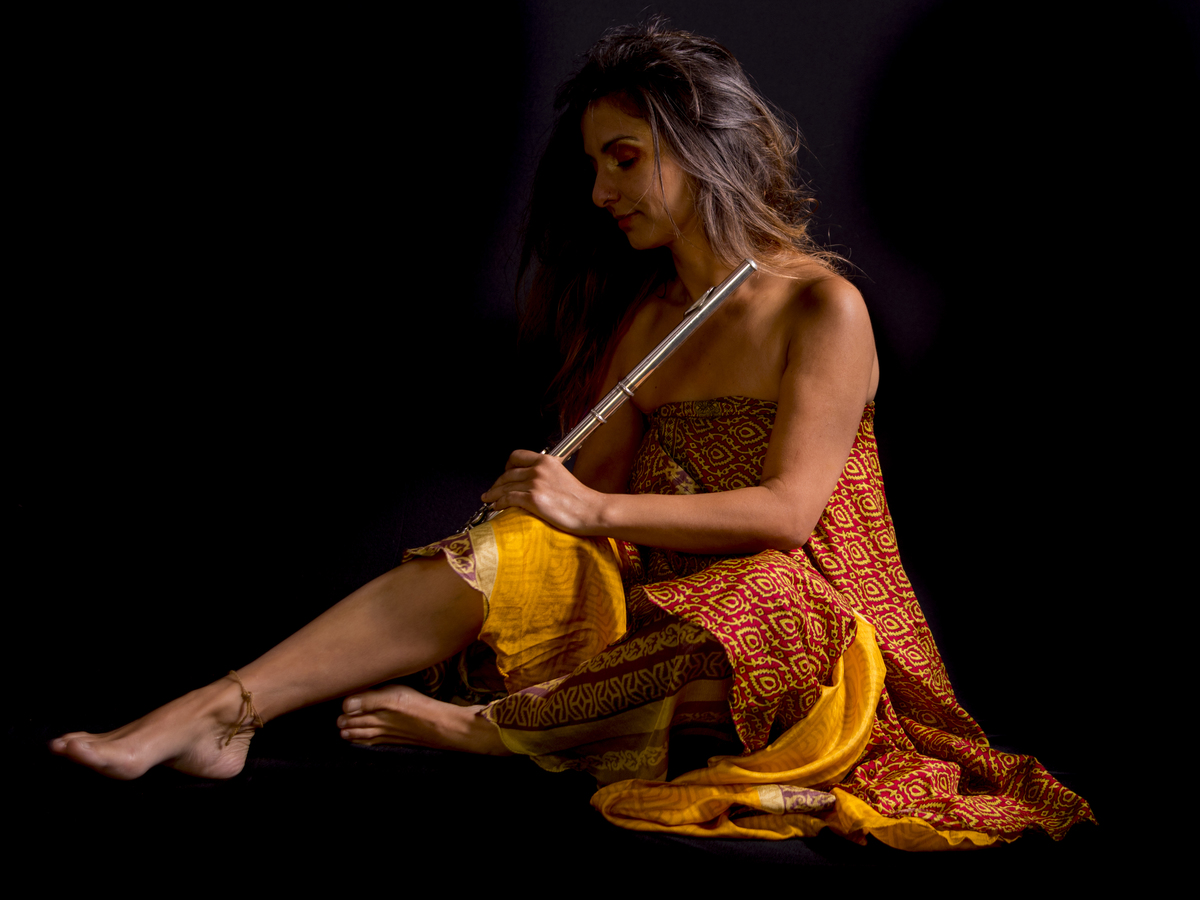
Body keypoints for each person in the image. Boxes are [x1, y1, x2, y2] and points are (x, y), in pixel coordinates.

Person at [50, 21, 1093, 849]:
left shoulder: (821, 306)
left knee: (759, 600)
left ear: (701, 150)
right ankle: (225, 709)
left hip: (798, 621)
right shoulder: (652, 318)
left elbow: (786, 515)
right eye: (597, 165)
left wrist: (589, 506)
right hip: (653, 609)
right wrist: (538, 516)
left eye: (624, 159)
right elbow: (590, 520)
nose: (600, 194)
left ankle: (488, 733)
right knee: (515, 551)